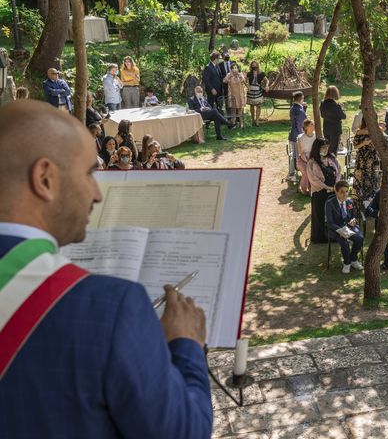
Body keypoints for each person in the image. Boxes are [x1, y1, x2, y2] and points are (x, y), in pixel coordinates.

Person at [0, 100, 212, 437]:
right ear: (45, 178)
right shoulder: (112, 307)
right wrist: (186, 345)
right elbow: (184, 432)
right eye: (88, 173)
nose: (97, 194)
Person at [325, 181, 365, 274]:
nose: (345, 194)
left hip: (349, 227)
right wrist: (340, 231)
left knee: (360, 238)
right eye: (342, 192)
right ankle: (347, 263)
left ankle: (353, 259)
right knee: (344, 242)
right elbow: (330, 222)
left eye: (346, 191)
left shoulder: (349, 202)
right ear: (336, 192)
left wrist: (353, 220)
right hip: (336, 229)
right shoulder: (330, 204)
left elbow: (353, 216)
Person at [307, 138, 341, 244]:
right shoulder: (312, 162)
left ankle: (333, 236)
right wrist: (326, 187)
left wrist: (336, 185)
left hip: (333, 191)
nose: (325, 149)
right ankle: (320, 238)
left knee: (333, 215)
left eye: (327, 147)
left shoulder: (332, 159)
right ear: (317, 148)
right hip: (320, 192)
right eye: (323, 147)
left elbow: (339, 171)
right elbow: (313, 179)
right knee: (320, 215)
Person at [352, 122, 381, 219]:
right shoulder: (359, 132)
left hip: (372, 160)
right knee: (360, 182)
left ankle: (371, 210)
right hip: (361, 160)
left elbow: (381, 146)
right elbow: (355, 146)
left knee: (372, 183)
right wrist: (364, 143)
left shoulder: (377, 131)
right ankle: (359, 210)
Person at [320, 85, 347, 155]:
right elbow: (343, 116)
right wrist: (341, 108)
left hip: (326, 128)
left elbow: (322, 115)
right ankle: (332, 164)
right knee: (334, 150)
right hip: (335, 130)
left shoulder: (322, 104)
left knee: (327, 149)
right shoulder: (336, 106)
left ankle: (327, 164)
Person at [289, 91, 307, 181]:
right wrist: (303, 136)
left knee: (294, 154)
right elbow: (300, 125)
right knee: (296, 155)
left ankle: (292, 173)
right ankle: (292, 174)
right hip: (296, 136)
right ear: (301, 99)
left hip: (292, 134)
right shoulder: (299, 110)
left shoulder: (293, 108)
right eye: (303, 98)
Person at [223, 62, 246, 127]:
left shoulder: (240, 74)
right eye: (233, 68)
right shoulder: (229, 75)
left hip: (239, 94)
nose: (234, 69)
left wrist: (239, 75)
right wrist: (230, 75)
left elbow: (243, 81)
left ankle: (241, 123)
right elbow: (224, 81)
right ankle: (233, 123)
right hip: (232, 95)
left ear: (238, 68)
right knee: (233, 110)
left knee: (240, 110)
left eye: (236, 67)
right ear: (231, 69)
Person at [246, 60, 269, 126]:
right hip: (251, 92)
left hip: (258, 91)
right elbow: (246, 81)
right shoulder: (249, 73)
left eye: (255, 66)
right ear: (251, 66)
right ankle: (253, 120)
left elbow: (267, 80)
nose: (254, 67)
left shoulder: (261, 73)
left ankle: (257, 120)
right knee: (252, 106)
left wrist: (267, 86)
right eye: (253, 66)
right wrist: (248, 87)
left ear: (257, 66)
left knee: (258, 106)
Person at [296, 119, 316, 195]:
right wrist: (307, 161)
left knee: (315, 170)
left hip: (313, 158)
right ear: (307, 127)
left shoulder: (316, 135)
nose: (314, 125)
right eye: (312, 124)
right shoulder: (300, 138)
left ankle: (313, 188)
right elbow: (301, 153)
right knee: (306, 171)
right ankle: (304, 189)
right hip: (302, 159)